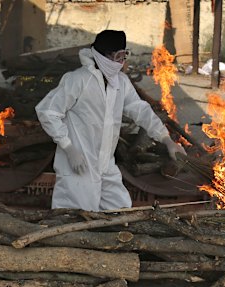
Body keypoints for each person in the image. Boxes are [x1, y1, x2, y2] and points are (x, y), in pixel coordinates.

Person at [35, 30, 186, 211]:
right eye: (117, 57)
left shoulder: (120, 82)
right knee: (76, 216)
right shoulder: (78, 80)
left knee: (120, 208)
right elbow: (47, 111)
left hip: (106, 163)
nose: (121, 63)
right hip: (79, 163)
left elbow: (140, 110)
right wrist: (68, 148)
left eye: (124, 56)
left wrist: (166, 140)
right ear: (102, 55)